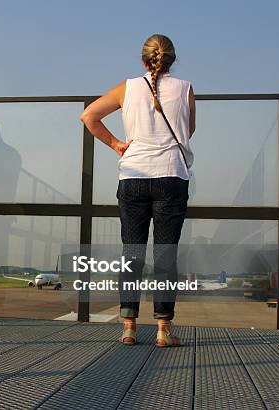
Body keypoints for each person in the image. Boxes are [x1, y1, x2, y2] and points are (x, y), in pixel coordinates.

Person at [80, 34, 196, 347]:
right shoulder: (185, 89)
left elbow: (88, 115)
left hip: (132, 177)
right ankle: (162, 330)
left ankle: (129, 326)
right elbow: (189, 130)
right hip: (171, 175)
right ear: (171, 59)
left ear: (144, 60)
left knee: (131, 251)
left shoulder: (127, 87)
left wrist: (117, 144)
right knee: (165, 253)